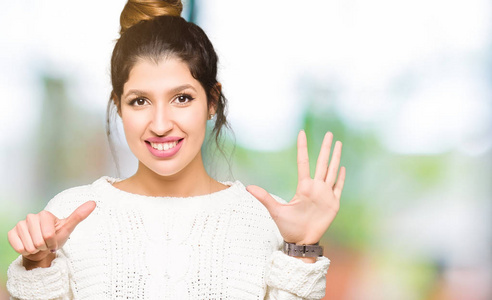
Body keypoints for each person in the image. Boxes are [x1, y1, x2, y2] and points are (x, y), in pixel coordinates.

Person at [6, 0, 346, 299]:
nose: (160, 124)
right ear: (119, 106)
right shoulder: (67, 217)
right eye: (139, 101)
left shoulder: (267, 222)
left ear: (212, 100)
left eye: (181, 98)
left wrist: (302, 249)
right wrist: (40, 262)